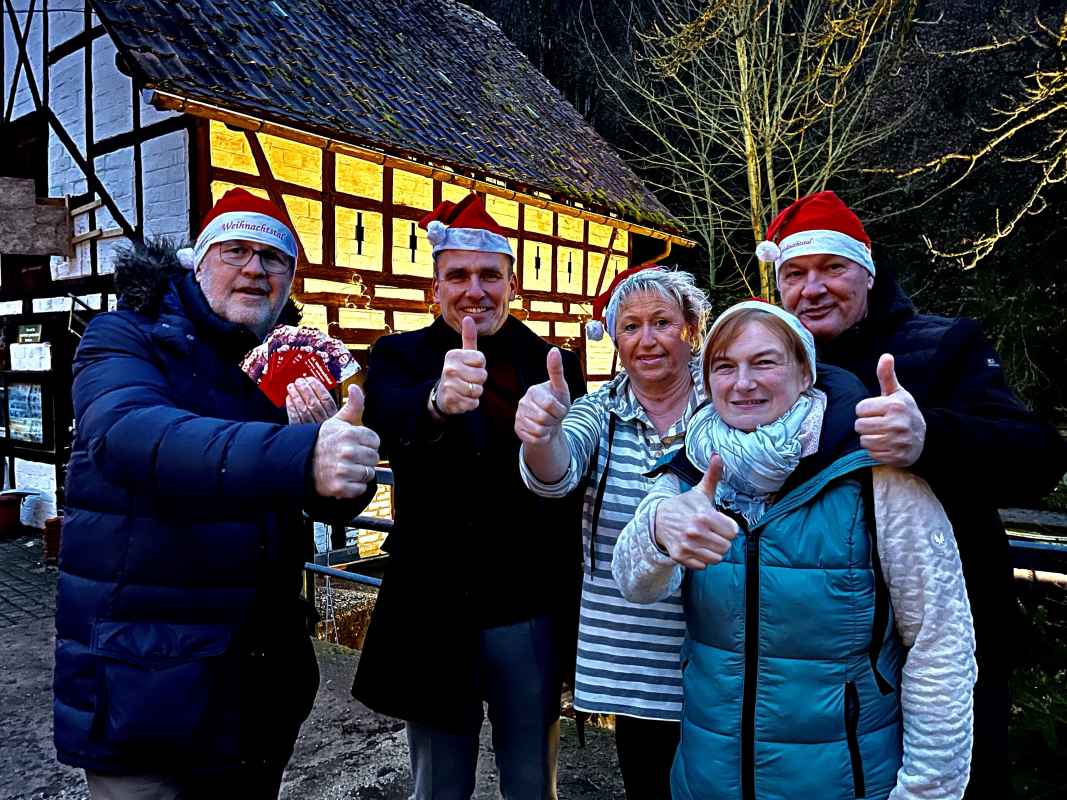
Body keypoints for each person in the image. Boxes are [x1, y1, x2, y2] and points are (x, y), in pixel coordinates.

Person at [53, 188, 380, 799]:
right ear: (196, 262)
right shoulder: (124, 339)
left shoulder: (282, 362)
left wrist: (337, 466)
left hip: (257, 689)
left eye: (274, 258)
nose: (255, 269)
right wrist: (301, 454)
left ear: (289, 281)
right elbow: (128, 435)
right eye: (236, 251)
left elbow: (317, 502)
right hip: (146, 683)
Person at [760, 190, 1067, 796]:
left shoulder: (941, 345)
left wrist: (930, 437)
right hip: (827, 653)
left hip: (943, 645)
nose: (813, 288)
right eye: (794, 273)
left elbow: (1037, 456)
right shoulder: (773, 364)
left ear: (867, 273)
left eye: (832, 268)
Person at [613, 300, 978, 800]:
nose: (743, 382)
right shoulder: (694, 468)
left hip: (843, 780)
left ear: (805, 372)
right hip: (707, 780)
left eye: (764, 362)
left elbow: (942, 641)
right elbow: (634, 581)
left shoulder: (873, 474)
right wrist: (657, 527)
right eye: (725, 366)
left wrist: (928, 790)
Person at [350, 193, 587, 800]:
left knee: (533, 780)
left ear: (512, 282)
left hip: (527, 603)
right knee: (437, 784)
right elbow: (384, 413)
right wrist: (436, 400)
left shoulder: (549, 362)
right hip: (434, 605)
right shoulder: (398, 355)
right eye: (458, 275)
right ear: (436, 287)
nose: (474, 290)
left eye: (489, 275)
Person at [516, 265, 711, 799]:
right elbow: (557, 473)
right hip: (636, 660)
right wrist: (541, 434)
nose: (646, 340)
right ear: (615, 339)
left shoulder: (726, 404)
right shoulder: (597, 411)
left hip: (721, 655)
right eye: (630, 326)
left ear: (690, 328)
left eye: (662, 323)